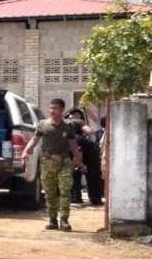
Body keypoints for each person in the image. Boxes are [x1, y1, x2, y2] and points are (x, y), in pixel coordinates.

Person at [21, 98, 84, 232]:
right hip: (47, 161)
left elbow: (73, 144)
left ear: (61, 110)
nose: (52, 111)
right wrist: (26, 151)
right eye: (51, 108)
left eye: (55, 108)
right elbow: (35, 139)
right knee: (50, 192)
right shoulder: (43, 124)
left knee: (65, 190)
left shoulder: (68, 126)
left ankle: (65, 220)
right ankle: (52, 220)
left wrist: (78, 159)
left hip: (64, 161)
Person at [77, 123, 104, 207]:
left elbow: (79, 155)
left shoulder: (76, 139)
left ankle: (96, 199)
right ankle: (76, 197)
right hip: (85, 154)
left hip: (92, 156)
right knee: (77, 174)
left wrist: (81, 165)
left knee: (93, 176)